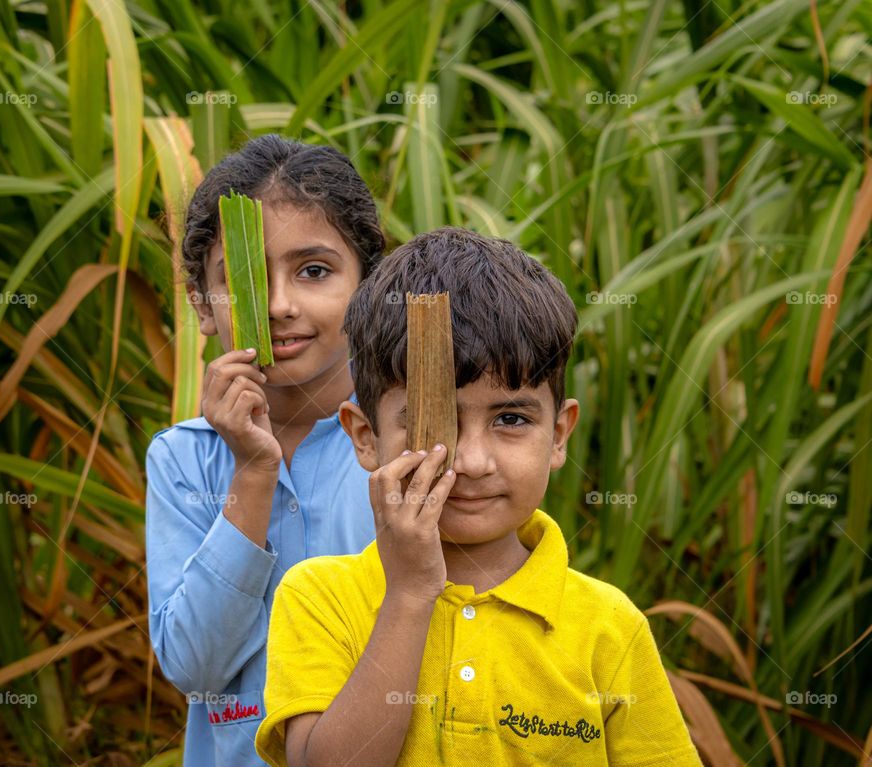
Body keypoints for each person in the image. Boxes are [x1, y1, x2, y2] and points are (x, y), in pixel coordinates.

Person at [256, 227, 702, 766]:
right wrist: (410, 594)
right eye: (432, 421)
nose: (470, 461)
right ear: (366, 437)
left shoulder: (608, 627)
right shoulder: (321, 598)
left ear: (559, 435)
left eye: (510, 419)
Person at [145, 134, 384, 767]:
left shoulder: (405, 444)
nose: (279, 306)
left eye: (314, 271)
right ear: (202, 305)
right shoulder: (182, 461)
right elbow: (194, 666)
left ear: (368, 287)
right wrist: (253, 473)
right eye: (245, 279)